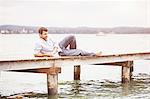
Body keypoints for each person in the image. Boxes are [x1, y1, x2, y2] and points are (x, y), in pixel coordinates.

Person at [34, 27, 102, 57]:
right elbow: (36, 54)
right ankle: (94, 54)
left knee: (72, 36)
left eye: (47, 34)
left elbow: (55, 43)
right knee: (79, 51)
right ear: (40, 34)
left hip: (59, 47)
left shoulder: (49, 37)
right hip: (60, 52)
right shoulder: (38, 42)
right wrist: (48, 54)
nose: (46, 35)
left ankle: (72, 52)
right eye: (45, 34)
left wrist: (55, 47)